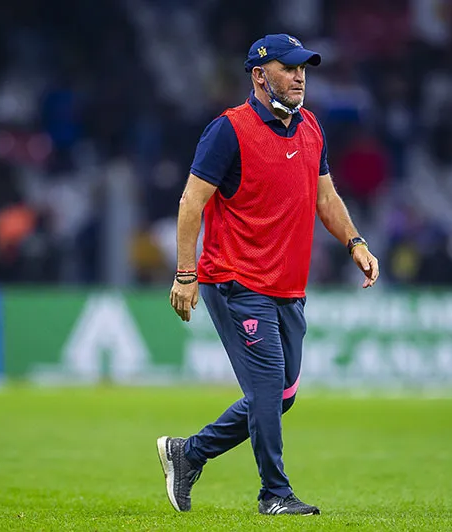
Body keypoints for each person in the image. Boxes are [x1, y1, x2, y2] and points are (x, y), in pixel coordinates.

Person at [157, 34, 379, 516]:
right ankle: (274, 493)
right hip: (235, 281)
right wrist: (184, 273)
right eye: (289, 67)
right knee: (265, 391)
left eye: (304, 68)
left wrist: (355, 242)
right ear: (259, 75)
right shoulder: (227, 131)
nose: (301, 76)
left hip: (288, 287)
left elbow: (326, 198)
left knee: (281, 396)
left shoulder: (311, 128)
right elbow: (191, 202)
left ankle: (188, 453)